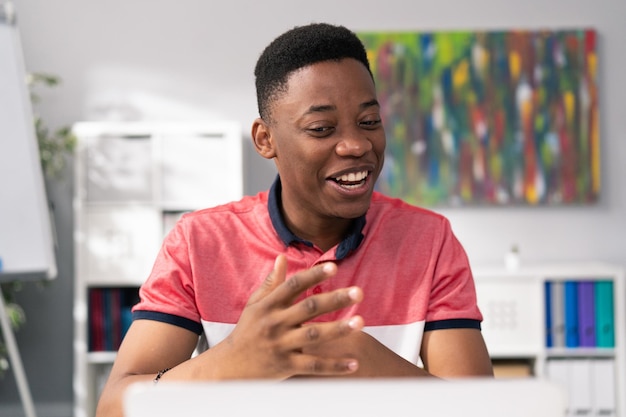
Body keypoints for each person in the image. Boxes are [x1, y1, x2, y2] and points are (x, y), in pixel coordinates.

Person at [95, 22, 493, 417]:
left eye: (370, 122)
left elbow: (483, 411)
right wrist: (235, 360)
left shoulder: (430, 239)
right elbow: (115, 408)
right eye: (322, 128)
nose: (357, 144)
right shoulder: (199, 242)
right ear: (265, 140)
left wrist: (362, 359)